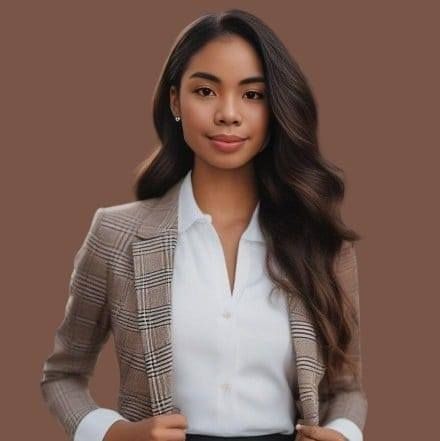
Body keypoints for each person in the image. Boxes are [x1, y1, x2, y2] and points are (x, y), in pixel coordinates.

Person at [40, 9, 367, 441]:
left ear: (277, 108)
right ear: (176, 100)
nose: (228, 113)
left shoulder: (321, 243)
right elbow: (63, 375)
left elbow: (347, 388)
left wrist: (344, 433)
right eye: (206, 91)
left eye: (253, 95)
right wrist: (114, 433)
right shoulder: (115, 236)